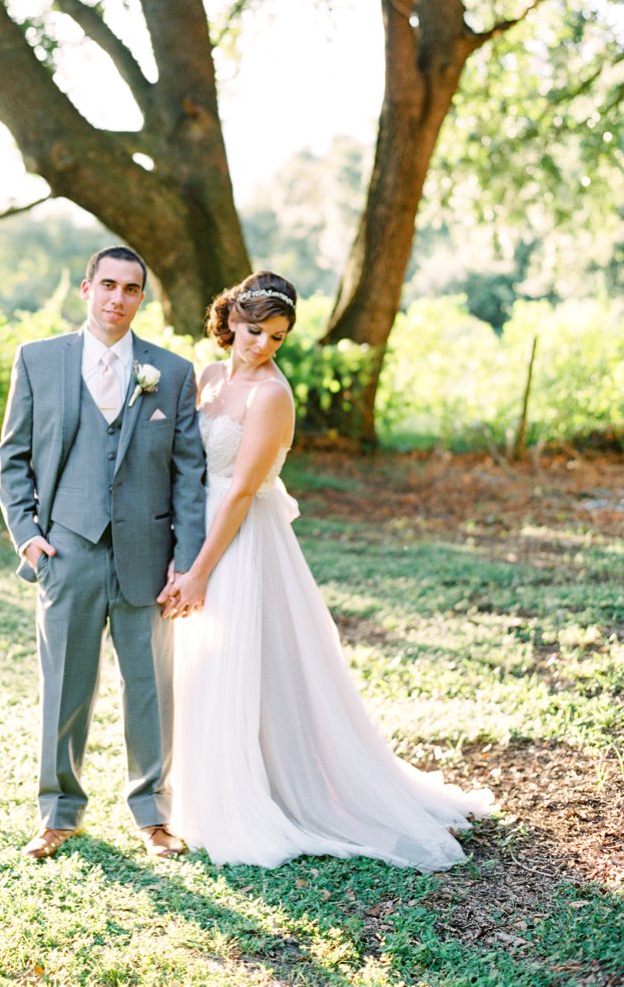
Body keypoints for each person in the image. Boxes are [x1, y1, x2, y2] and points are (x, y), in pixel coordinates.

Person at [157, 271, 493, 870]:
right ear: (231, 319)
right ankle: (199, 791)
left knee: (240, 660)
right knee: (202, 660)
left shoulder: (273, 397)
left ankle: (252, 795)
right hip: (195, 527)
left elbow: (239, 494)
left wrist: (202, 569)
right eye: (256, 331)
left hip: (239, 541)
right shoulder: (207, 376)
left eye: (278, 338)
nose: (262, 346)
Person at [0, 246, 205, 860]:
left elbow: (189, 473)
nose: (119, 298)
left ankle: (153, 816)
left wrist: (186, 558)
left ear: (143, 298)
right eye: (108, 285)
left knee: (150, 690)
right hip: (67, 550)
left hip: (148, 554)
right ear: (86, 289)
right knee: (65, 686)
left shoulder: (171, 371)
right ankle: (58, 813)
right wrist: (26, 533)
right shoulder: (38, 360)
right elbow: (12, 458)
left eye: (132, 289)